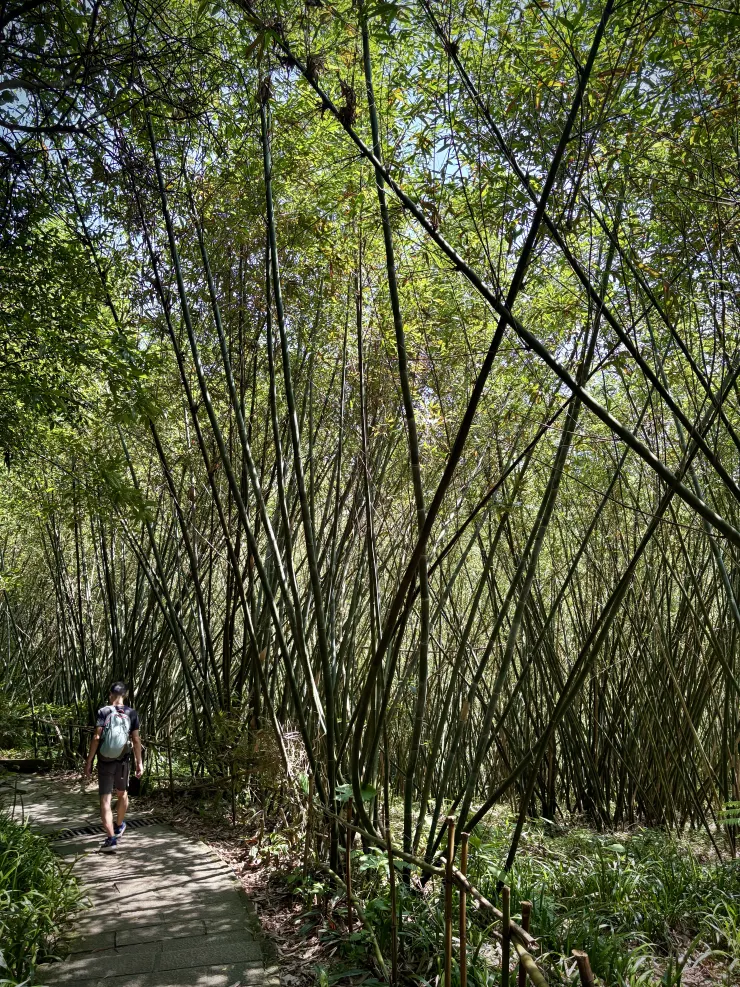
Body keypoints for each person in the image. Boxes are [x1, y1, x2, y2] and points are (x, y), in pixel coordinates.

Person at [84, 681, 143, 852]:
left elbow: (96, 737)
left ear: (110, 694)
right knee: (122, 793)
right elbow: (136, 740)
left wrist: (89, 761)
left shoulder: (103, 711)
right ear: (125, 695)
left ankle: (111, 839)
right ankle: (118, 826)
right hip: (123, 760)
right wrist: (139, 763)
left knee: (105, 799)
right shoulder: (131, 713)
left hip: (104, 761)